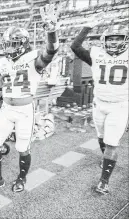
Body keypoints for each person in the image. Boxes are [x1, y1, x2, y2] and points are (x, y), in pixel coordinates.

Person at [0, 3, 61, 195]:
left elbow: (50, 52)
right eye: (7, 44)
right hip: (6, 109)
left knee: (23, 148)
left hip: (25, 111)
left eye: (14, 44)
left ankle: (21, 178)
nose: (9, 48)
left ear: (24, 44)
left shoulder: (33, 59)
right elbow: (0, 84)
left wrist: (51, 31)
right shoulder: (4, 62)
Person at [70, 13, 128, 195]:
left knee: (111, 143)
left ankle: (104, 181)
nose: (113, 43)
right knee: (102, 138)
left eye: (118, 39)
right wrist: (87, 27)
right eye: (110, 39)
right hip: (99, 103)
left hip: (119, 104)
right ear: (104, 40)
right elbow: (75, 46)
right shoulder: (96, 54)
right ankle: (106, 159)